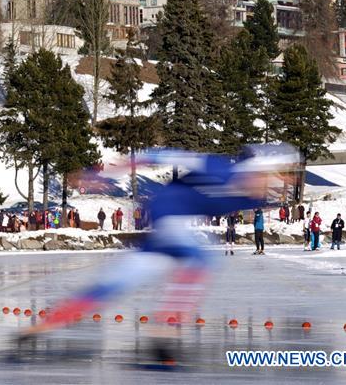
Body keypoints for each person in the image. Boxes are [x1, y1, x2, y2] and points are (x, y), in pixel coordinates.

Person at [27, 144, 299, 365]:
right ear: (253, 169)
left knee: (119, 281)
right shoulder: (218, 168)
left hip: (169, 231)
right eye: (270, 175)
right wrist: (105, 175)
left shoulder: (252, 198)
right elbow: (160, 156)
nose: (272, 184)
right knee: (203, 258)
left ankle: (43, 326)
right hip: (166, 214)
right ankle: (162, 333)